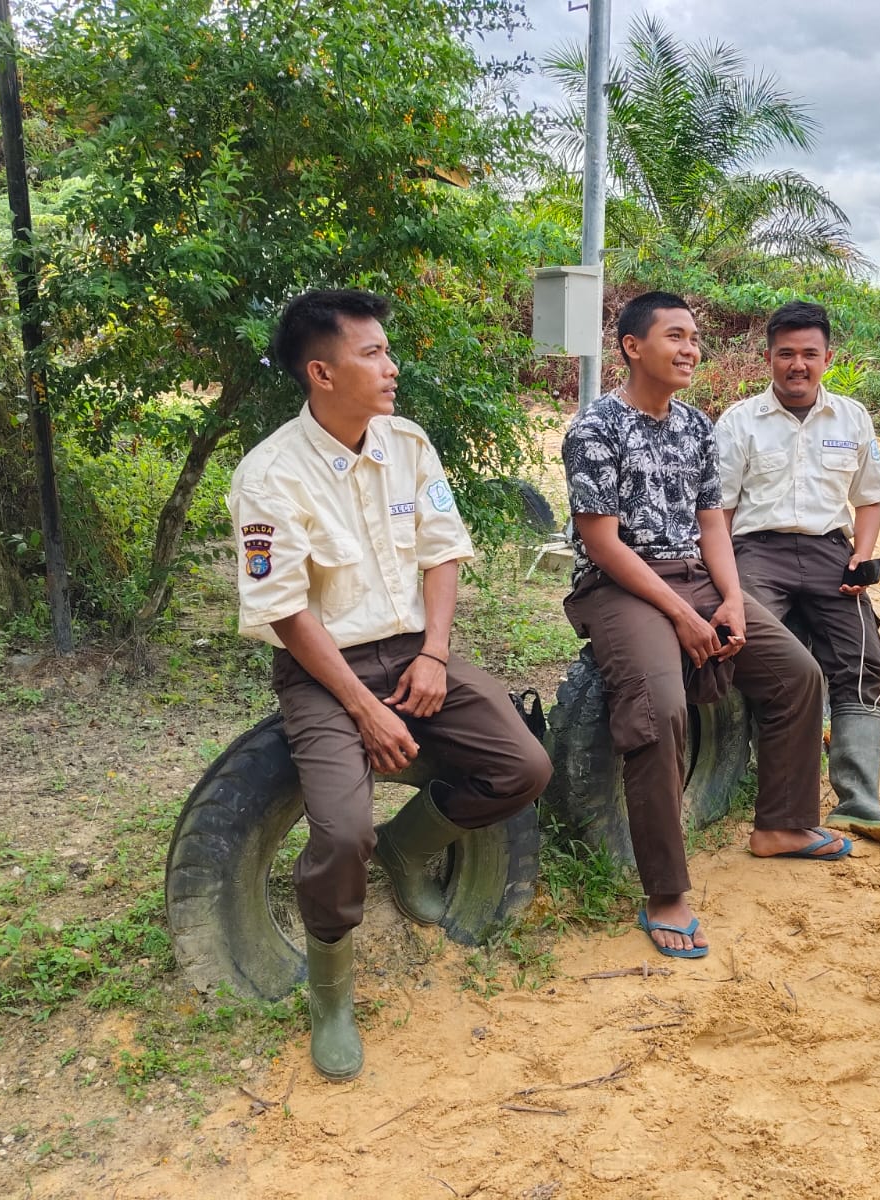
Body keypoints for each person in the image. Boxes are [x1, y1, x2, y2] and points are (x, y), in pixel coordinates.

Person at [228, 289, 552, 1081]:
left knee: (524, 766)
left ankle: (410, 851)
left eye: (386, 349)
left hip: (413, 646)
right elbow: (286, 611)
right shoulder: (268, 474)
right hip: (322, 668)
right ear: (321, 372)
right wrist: (365, 708)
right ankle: (331, 993)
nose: (391, 366)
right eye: (371, 353)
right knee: (341, 831)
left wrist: (435, 655)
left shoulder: (406, 443)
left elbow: (441, 551)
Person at [560, 291, 849, 961]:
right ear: (633, 347)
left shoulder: (695, 425)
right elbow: (602, 544)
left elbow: (713, 521)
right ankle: (664, 892)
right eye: (675, 337)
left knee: (796, 675)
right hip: (620, 586)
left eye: (695, 338)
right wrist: (683, 614)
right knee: (660, 710)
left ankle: (782, 825)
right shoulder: (594, 428)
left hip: (695, 574)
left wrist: (731, 599)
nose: (691, 348)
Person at [715, 300, 880, 847]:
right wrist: (727, 578)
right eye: (786, 354)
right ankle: (763, 777)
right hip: (757, 552)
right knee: (753, 646)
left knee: (861, 660)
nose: (797, 364)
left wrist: (863, 556)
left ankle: (860, 801)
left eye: (809, 353)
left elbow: (869, 500)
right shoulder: (738, 421)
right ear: (768, 358)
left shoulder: (852, 418)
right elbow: (720, 510)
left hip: (833, 553)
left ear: (829, 357)